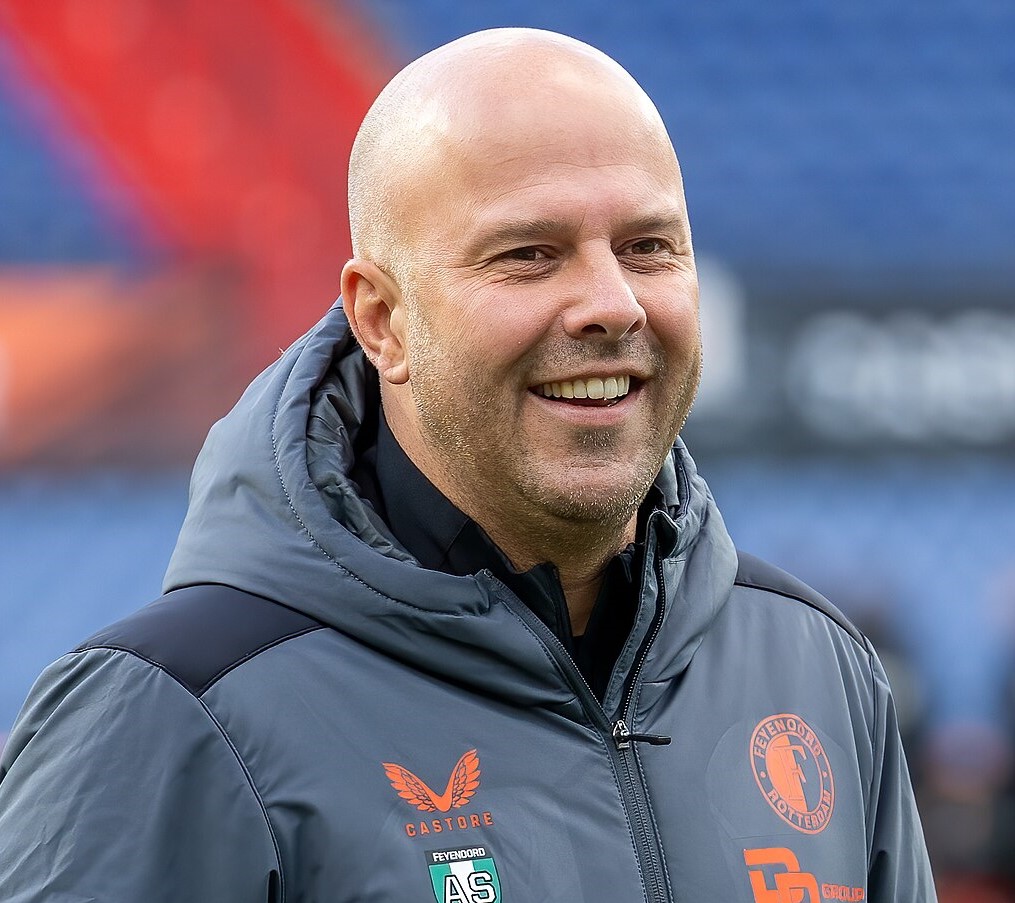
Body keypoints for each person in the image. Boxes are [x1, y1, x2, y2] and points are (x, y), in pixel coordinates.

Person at [0, 27, 935, 902]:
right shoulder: (171, 711)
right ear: (382, 320)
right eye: (529, 255)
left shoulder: (818, 665)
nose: (613, 303)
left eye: (648, 247)